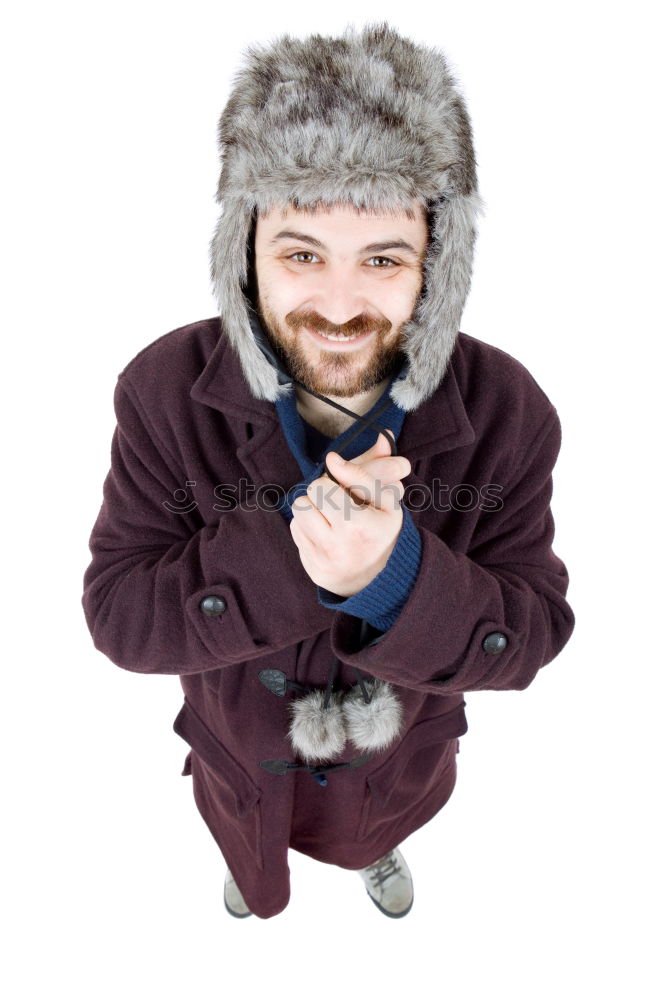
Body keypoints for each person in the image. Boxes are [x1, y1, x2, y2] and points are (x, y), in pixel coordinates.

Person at [81, 22, 575, 921]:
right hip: (239, 754)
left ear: (437, 269)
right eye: (302, 253)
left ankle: (373, 851)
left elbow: (533, 631)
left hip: (400, 759)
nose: (340, 307)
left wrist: (394, 580)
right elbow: (120, 617)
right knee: (247, 832)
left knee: (373, 824)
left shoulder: (509, 408)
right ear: (245, 252)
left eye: (383, 258)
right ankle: (250, 859)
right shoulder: (161, 389)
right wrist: (299, 561)